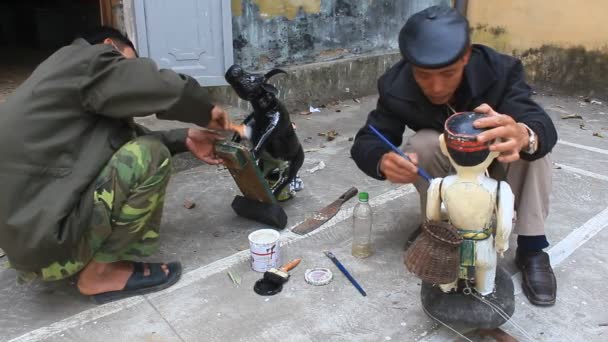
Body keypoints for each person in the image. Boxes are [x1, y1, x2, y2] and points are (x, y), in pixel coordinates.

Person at [0, 27, 234, 304]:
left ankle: (77, 258)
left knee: (141, 150)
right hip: (49, 244)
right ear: (109, 46)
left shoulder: (61, 76)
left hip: (28, 239)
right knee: (150, 155)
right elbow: (151, 87)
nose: (130, 71)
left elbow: (114, 139)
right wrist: (205, 109)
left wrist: (184, 137)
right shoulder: (88, 59)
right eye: (130, 61)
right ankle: (100, 273)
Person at [351, 6, 558, 306]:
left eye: (447, 74)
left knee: (532, 148)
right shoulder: (395, 85)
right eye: (423, 75)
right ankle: (442, 231)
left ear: (465, 56)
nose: (436, 87)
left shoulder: (500, 70)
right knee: (421, 144)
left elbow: (536, 119)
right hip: (447, 167)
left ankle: (532, 247)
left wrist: (525, 134)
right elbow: (368, 139)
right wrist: (382, 160)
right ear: (409, 66)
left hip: (494, 161)